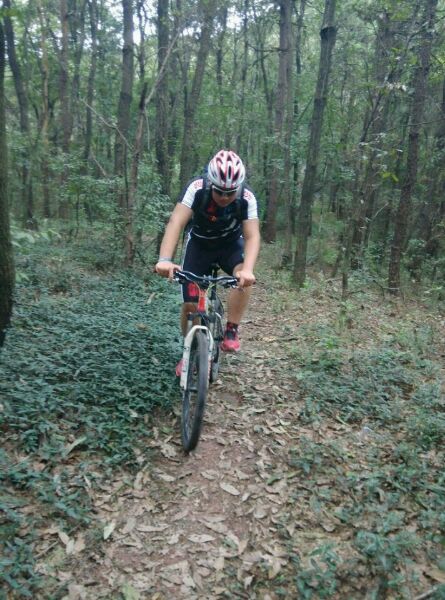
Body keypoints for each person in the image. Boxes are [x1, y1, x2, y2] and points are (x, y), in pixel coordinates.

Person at [155, 149, 260, 373]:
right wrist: (165, 259)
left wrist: (248, 269)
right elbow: (176, 222)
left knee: (244, 277)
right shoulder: (197, 188)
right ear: (211, 183)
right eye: (219, 191)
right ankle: (190, 350)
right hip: (199, 246)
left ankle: (231, 328)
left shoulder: (247, 197)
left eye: (230, 192)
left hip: (230, 245)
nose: (224, 197)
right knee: (190, 305)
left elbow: (252, 235)